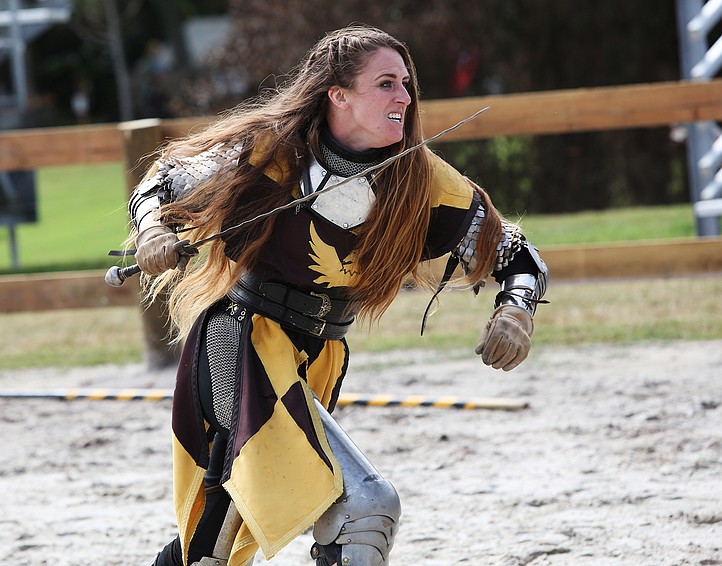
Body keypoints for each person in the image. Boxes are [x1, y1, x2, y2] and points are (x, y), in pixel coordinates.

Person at [127, 24, 548, 566]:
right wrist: (153, 231)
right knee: (365, 507)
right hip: (241, 343)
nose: (404, 97)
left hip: (318, 352)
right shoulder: (268, 153)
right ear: (339, 95)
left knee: (221, 532)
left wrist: (517, 309)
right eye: (385, 84)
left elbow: (517, 254)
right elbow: (162, 184)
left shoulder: (421, 180)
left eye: (405, 84)